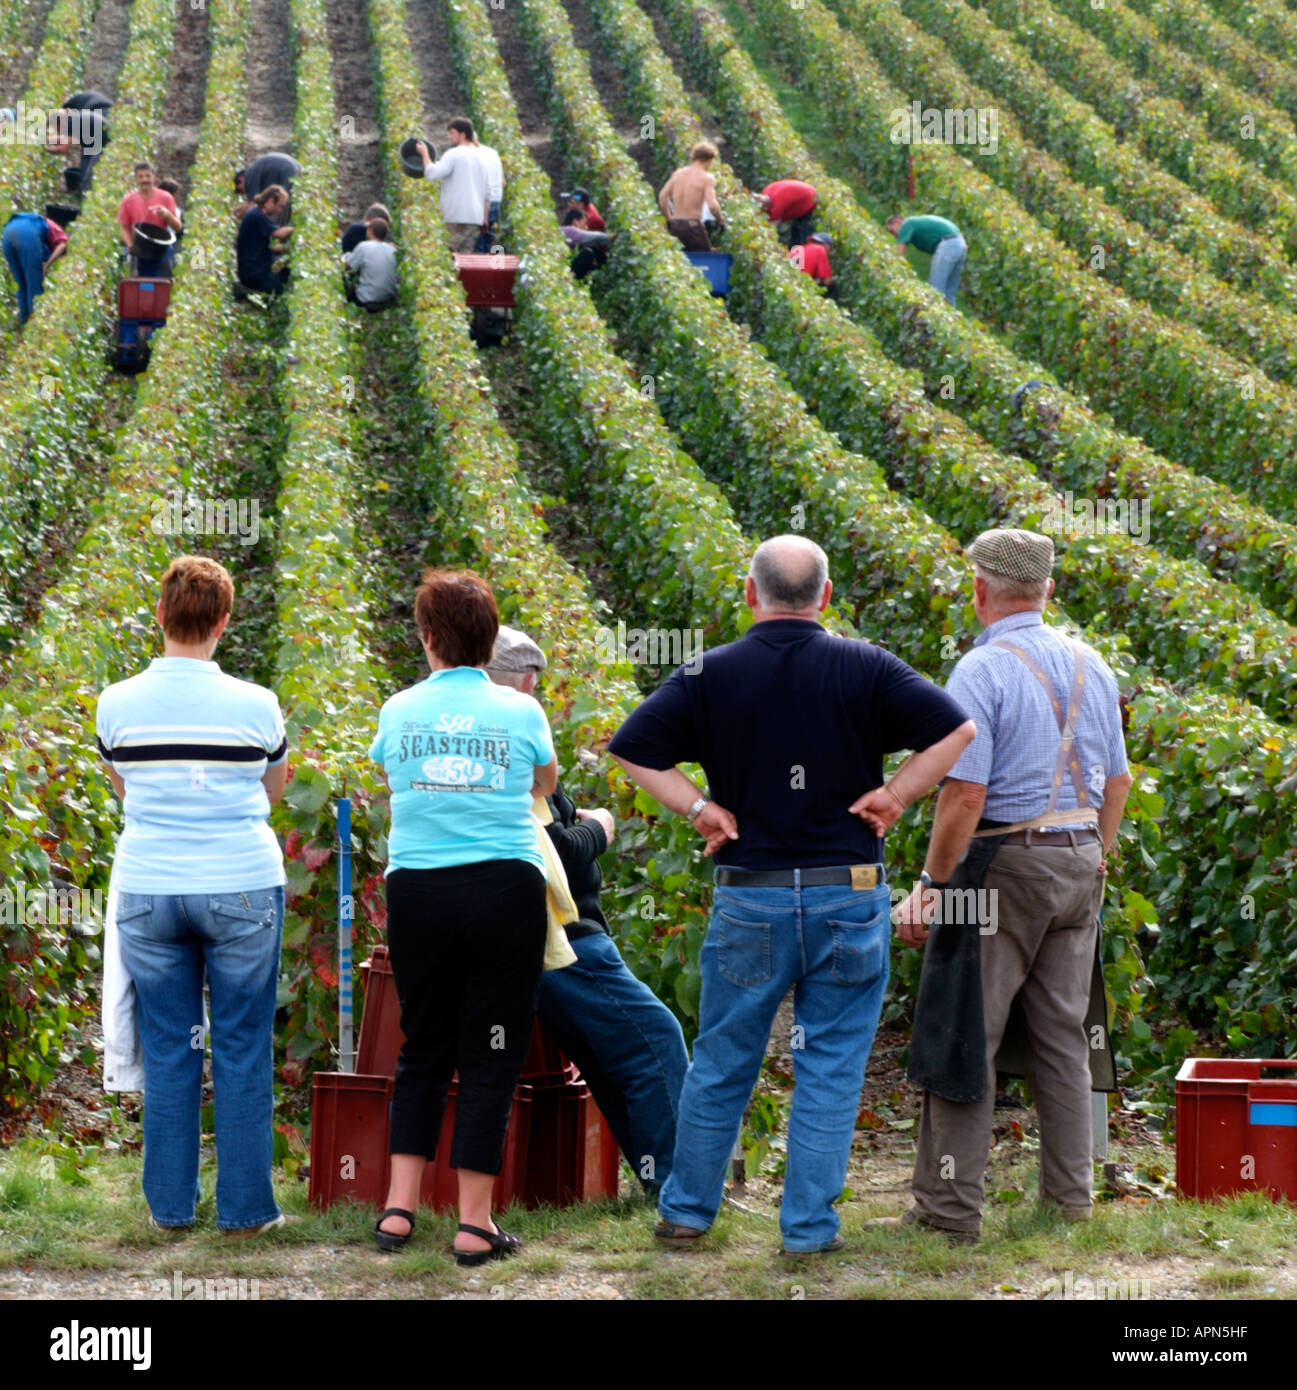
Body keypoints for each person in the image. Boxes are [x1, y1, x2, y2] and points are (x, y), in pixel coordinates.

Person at [608, 535, 976, 1254]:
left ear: (750, 594)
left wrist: (699, 809)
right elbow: (956, 728)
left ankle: (686, 1213)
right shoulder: (865, 665)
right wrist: (896, 794)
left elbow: (631, 747)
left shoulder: (709, 671)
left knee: (720, 1062)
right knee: (831, 1068)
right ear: (826, 598)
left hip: (752, 897)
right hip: (849, 895)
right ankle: (807, 1230)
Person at [877, 528, 1132, 1242]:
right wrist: (1097, 852)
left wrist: (931, 883)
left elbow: (963, 794)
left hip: (999, 866)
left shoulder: (980, 670)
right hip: (1079, 858)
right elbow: (1117, 781)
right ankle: (1067, 1203)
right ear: (1046, 590)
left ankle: (948, 1212)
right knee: (1061, 1036)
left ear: (979, 590)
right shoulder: (1091, 663)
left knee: (965, 1029)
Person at [96, 556, 290, 1235]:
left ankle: (170, 1208)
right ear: (224, 623)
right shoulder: (257, 704)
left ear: (160, 616)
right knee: (241, 1045)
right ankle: (245, 1211)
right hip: (240, 884)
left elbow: (124, 789)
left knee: (171, 1047)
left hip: (151, 889)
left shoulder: (116, 702)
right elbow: (272, 788)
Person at [369, 570, 558, 1263]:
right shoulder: (520, 710)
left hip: (419, 893)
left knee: (421, 1045)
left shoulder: (397, 709)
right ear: (489, 640)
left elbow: (387, 772)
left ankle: (397, 1210)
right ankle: (474, 1225)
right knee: (494, 1050)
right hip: (503, 892)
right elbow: (545, 783)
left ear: (427, 639)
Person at [485, 626, 689, 1197]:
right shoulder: (512, 738)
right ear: (525, 683)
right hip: (564, 938)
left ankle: (657, 1184)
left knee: (613, 1060)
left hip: (535, 936)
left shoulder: (473, 735)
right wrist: (597, 827)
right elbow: (551, 852)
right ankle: (680, 1188)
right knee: (657, 1039)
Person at [415, 118, 489, 255]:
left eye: (452, 133)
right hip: (475, 218)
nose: (449, 137)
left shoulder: (454, 154)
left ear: (462, 134)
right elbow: (488, 192)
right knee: (465, 261)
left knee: (449, 257)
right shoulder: (483, 156)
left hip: (457, 216)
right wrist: (484, 217)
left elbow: (432, 174)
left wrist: (425, 154)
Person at [886, 213, 967, 309]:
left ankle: (933, 320)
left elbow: (899, 255)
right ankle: (950, 321)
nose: (894, 236)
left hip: (948, 244)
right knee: (949, 292)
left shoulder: (907, 224)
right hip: (960, 244)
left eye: (892, 231)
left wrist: (890, 272)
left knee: (935, 289)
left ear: (897, 222)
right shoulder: (915, 223)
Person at [2, 210, 67, 322]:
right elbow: (62, 244)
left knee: (20, 283)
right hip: (27, 235)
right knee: (33, 282)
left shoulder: (33, 220)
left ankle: (23, 319)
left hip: (7, 234)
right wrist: (47, 265)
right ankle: (35, 322)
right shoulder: (54, 227)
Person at [658, 141, 724, 252]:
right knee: (706, 260)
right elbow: (712, 205)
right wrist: (720, 219)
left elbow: (662, 196)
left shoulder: (678, 173)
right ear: (709, 160)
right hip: (693, 227)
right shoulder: (706, 178)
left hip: (676, 225)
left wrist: (669, 219)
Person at [118, 162, 181, 276]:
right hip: (139, 251)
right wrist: (130, 246)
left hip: (162, 250)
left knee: (161, 286)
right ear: (136, 179)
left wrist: (167, 215)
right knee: (140, 287)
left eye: (147, 176)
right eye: (140, 176)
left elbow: (177, 227)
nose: (144, 180)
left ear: (154, 177)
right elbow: (124, 227)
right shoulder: (128, 200)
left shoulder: (166, 198)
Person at [235, 185, 293, 297]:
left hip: (256, 268)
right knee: (279, 292)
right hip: (254, 273)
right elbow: (280, 233)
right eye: (280, 206)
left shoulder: (256, 212)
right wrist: (297, 229)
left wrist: (289, 249)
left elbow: (271, 247)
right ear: (271, 201)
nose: (280, 211)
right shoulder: (257, 216)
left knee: (286, 269)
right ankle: (247, 292)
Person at [342, 217, 397, 312]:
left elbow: (348, 266)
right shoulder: (393, 251)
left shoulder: (364, 246)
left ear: (371, 231)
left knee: (344, 297)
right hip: (387, 299)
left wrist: (342, 258)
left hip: (365, 299)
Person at [753, 179, 817, 246]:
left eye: (764, 208)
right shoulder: (766, 190)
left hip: (809, 198)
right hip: (805, 190)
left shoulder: (777, 205)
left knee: (801, 230)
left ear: (766, 206)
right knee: (795, 230)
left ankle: (804, 248)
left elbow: (772, 227)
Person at [472, 133, 504, 252]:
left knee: (477, 238)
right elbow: (502, 181)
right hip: (495, 198)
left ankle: (477, 266)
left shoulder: (474, 156)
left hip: (482, 201)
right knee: (488, 235)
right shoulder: (492, 153)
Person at [561, 208, 611, 280]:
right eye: (585, 224)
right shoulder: (570, 231)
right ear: (575, 223)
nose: (587, 228)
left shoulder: (569, 234)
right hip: (566, 274)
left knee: (591, 248)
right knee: (587, 253)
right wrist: (613, 237)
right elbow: (598, 237)